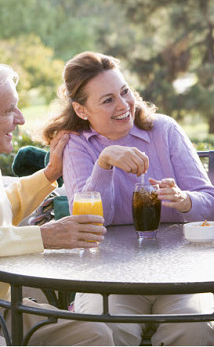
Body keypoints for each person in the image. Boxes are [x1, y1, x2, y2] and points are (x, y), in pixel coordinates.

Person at [42, 51, 214, 346]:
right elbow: (91, 222)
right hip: (108, 277)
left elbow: (211, 205)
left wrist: (184, 199)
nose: (124, 105)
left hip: (181, 273)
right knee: (105, 333)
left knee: (194, 331)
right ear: (82, 110)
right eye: (108, 100)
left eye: (124, 92)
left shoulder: (164, 130)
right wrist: (105, 163)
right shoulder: (77, 144)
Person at [0, 64, 113, 345]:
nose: (20, 119)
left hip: (7, 308)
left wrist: (49, 174)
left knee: (94, 335)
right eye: (7, 111)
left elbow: (6, 204)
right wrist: (47, 236)